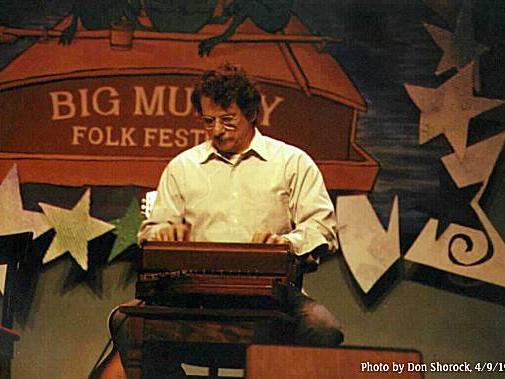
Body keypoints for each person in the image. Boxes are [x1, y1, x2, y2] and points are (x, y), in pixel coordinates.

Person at [110, 63, 343, 378]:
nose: (217, 130)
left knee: (322, 326)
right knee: (124, 321)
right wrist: (163, 234)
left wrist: (286, 244)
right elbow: (151, 231)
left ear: (251, 115)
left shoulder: (291, 162)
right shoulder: (183, 167)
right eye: (208, 121)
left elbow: (322, 229)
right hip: (193, 298)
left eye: (228, 120)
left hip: (271, 298)